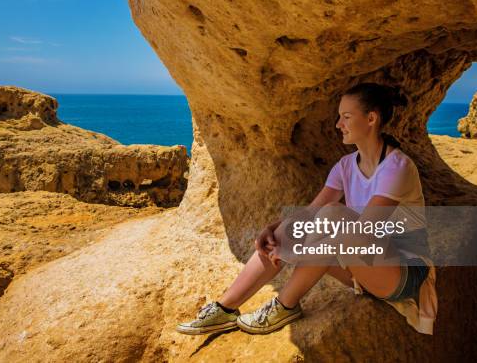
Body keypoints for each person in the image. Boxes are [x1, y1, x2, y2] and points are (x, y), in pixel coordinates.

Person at [176, 82, 437, 336]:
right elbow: (312, 211)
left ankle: (285, 305)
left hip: (401, 273)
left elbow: (365, 232)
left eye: (346, 117)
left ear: (371, 118)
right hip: (363, 267)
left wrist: (295, 250)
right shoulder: (345, 165)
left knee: (334, 216)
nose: (338, 125)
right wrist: (275, 230)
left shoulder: (397, 167)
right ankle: (225, 308)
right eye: (339, 117)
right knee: (294, 228)